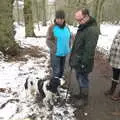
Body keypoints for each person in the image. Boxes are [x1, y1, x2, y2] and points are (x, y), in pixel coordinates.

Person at [69, 8, 100, 106]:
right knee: (79, 78)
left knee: (83, 79)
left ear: (86, 16)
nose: (78, 22)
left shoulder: (91, 30)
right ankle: (81, 94)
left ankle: (84, 100)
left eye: (80, 19)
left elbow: (89, 50)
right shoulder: (84, 26)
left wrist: (84, 63)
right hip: (78, 59)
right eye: (77, 20)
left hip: (83, 62)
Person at [46, 10, 71, 90]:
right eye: (58, 18)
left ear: (64, 19)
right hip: (56, 54)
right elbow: (48, 40)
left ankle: (62, 84)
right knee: (56, 71)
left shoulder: (67, 27)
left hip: (65, 53)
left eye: (62, 18)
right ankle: (53, 87)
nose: (60, 20)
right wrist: (55, 48)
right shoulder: (52, 27)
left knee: (64, 70)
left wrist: (68, 46)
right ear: (55, 18)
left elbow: (69, 38)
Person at [105, 30, 120, 101]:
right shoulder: (118, 31)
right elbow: (113, 43)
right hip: (116, 58)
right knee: (115, 74)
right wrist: (110, 55)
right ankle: (112, 90)